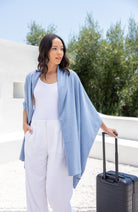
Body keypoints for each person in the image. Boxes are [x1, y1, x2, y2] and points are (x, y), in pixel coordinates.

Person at [19, 34, 117, 212]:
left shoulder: (71, 77)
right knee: (34, 188)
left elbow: (86, 106)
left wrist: (105, 128)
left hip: (60, 135)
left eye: (62, 49)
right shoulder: (31, 77)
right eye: (55, 48)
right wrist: (24, 124)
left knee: (57, 192)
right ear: (45, 50)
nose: (59, 53)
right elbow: (27, 103)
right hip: (36, 134)